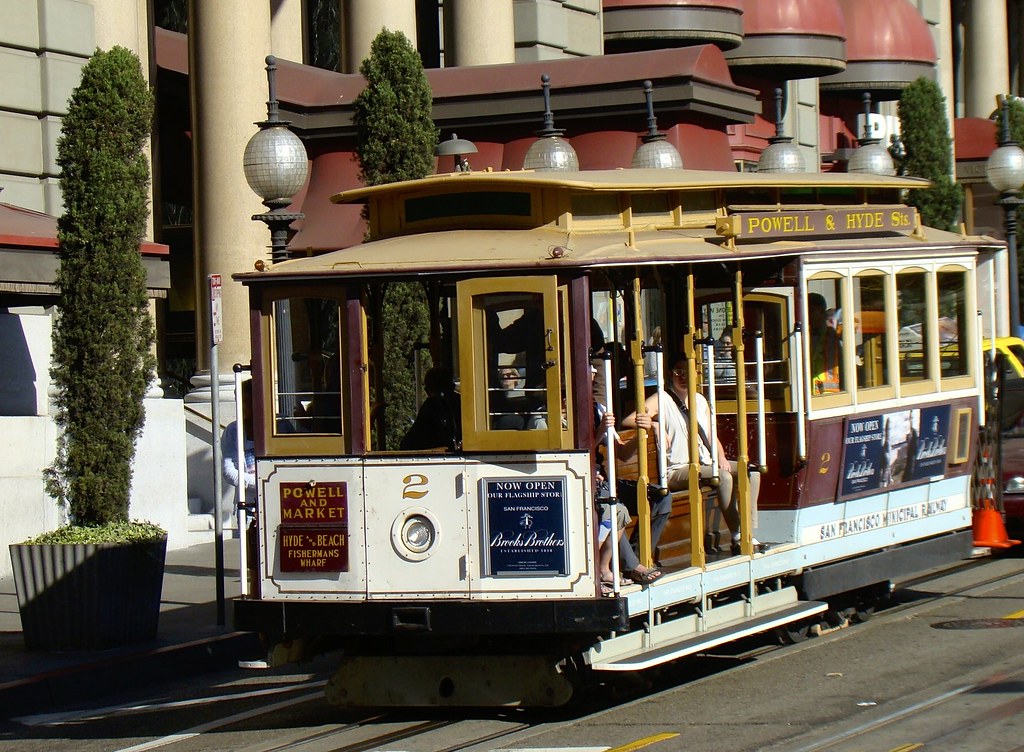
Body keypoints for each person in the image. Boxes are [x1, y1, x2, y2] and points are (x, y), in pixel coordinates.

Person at [623, 353, 762, 555]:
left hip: (704, 463)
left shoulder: (699, 400)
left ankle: (749, 531)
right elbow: (629, 420)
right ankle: (737, 535)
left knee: (751, 472)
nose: (683, 376)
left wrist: (721, 457)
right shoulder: (661, 399)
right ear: (671, 374)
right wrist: (653, 424)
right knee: (722, 477)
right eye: (679, 372)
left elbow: (711, 435)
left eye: (688, 372)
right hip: (677, 470)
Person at [400, 367, 462, 450]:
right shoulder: (464, 403)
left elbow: (407, 445)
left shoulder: (431, 406)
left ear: (428, 390)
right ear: (452, 386)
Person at [222, 378, 256, 507]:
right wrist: (259, 483)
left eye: (248, 402)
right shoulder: (233, 431)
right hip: (247, 503)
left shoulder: (281, 425)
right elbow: (228, 471)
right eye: (241, 402)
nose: (244, 407)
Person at [809, 292, 842, 395]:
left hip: (828, 396)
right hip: (812, 393)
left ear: (821, 311)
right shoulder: (807, 335)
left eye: (812, 310)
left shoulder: (831, 337)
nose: (808, 315)